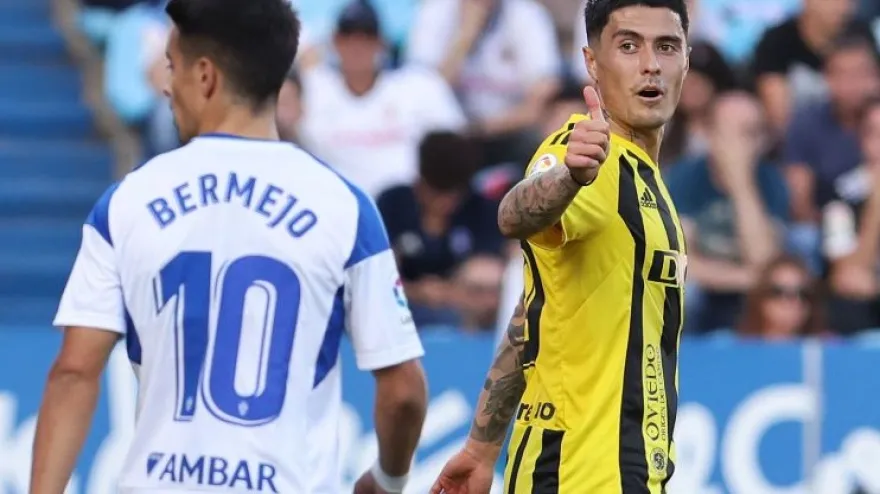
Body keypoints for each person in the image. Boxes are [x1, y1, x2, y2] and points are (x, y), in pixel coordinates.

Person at [29, 1, 428, 494]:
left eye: (172, 66)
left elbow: (74, 371)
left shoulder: (127, 201)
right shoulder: (346, 208)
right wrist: (389, 478)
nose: (165, 85)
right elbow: (403, 390)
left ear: (205, 76)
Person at [432, 0, 689, 492]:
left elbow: (533, 314)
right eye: (628, 46)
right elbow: (514, 214)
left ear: (686, 60)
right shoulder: (583, 154)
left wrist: (482, 447)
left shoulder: (645, 176)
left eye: (666, 47)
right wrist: (571, 176)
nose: (650, 64)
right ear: (592, 62)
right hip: (577, 474)